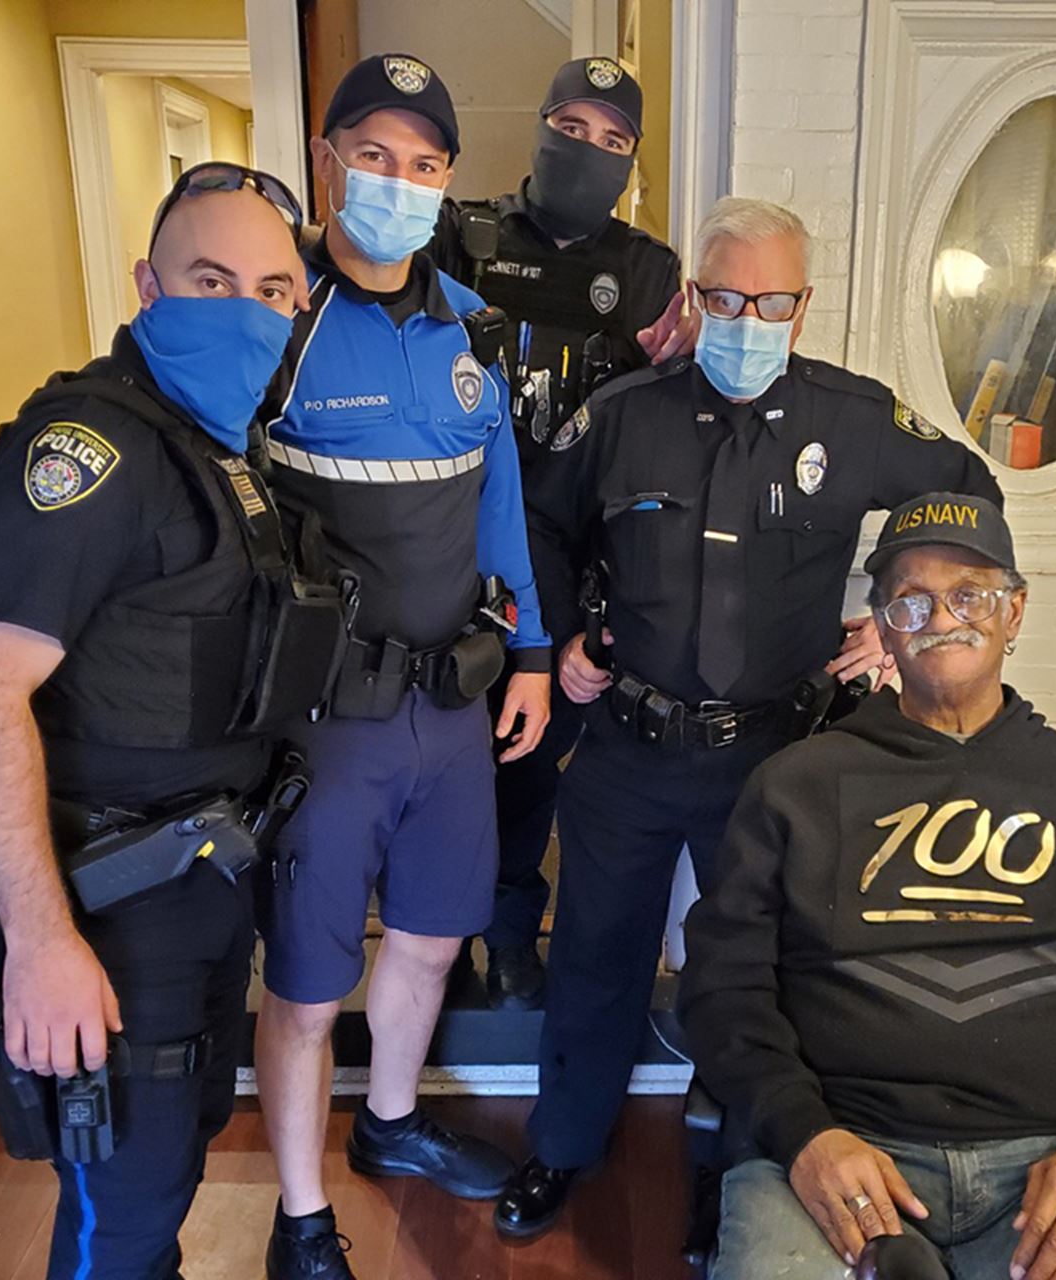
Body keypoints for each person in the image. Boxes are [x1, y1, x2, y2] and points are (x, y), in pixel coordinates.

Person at [495, 197, 1004, 1241]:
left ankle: (736, 1161)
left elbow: (970, 497)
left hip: (775, 760)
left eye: (768, 301)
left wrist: (896, 623)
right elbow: (536, 519)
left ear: (801, 306)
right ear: (693, 296)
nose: (744, 318)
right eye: (723, 297)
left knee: (754, 972)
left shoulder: (854, 420)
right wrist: (556, 646)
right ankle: (563, 1144)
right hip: (628, 747)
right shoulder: (625, 415)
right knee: (594, 952)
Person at [679, 492, 1056, 1280]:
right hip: (838, 1155)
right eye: (910, 601)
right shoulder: (795, 789)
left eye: (969, 594)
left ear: (1016, 612)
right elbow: (720, 986)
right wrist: (803, 1133)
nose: (941, 617)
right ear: (882, 628)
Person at [0, 164, 344, 1278]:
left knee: (169, 1157)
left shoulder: (223, 450)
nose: (245, 310)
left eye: (273, 288)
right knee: (118, 1213)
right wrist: (38, 943)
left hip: (203, 878)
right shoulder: (91, 449)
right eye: (210, 278)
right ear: (146, 284)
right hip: (102, 892)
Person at [252, 54, 553, 1280]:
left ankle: (387, 1125)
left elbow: (503, 515)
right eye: (374, 156)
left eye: (424, 164)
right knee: (310, 981)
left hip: (453, 703)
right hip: (323, 721)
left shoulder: (472, 330)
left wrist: (529, 652)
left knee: (431, 936)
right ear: (329, 161)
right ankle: (298, 1209)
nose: (399, 183)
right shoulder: (279, 323)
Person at [428, 55, 686, 1010]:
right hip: (456, 549)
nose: (591, 152)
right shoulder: (466, 238)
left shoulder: (648, 271)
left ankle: (509, 935)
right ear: (540, 129)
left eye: (614, 141)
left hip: (572, 564)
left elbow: (667, 414)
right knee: (451, 764)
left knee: (532, 763)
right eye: (573, 129)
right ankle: (440, 944)